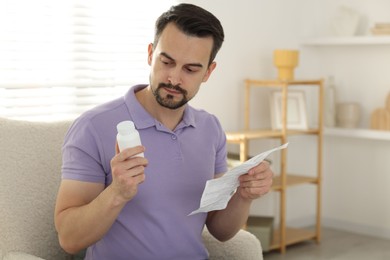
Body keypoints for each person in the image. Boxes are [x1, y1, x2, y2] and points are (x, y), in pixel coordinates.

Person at [54, 3, 273, 260]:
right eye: (166, 62)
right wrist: (117, 193)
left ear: (208, 72)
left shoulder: (210, 129)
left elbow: (219, 229)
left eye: (190, 69)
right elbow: (69, 239)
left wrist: (244, 196)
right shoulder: (93, 127)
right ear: (150, 54)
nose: (174, 79)